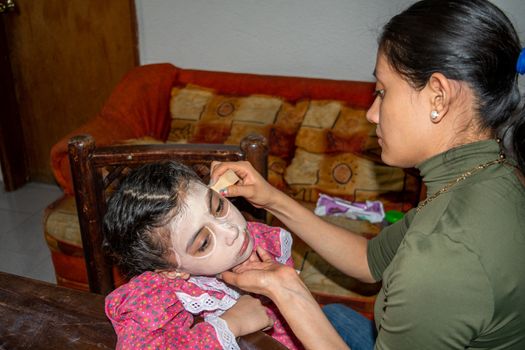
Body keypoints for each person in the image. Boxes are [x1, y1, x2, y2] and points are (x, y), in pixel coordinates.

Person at [210, 0, 525, 349]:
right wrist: (271, 197)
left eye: (382, 92)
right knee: (334, 317)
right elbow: (368, 259)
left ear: (438, 95)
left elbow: (433, 258)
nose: (373, 114)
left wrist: (288, 291)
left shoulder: (443, 255)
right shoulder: (492, 175)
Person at [102, 161, 303, 349]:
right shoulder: (158, 296)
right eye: (204, 243)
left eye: (218, 207)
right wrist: (230, 324)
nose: (232, 231)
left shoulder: (261, 240)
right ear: (171, 271)